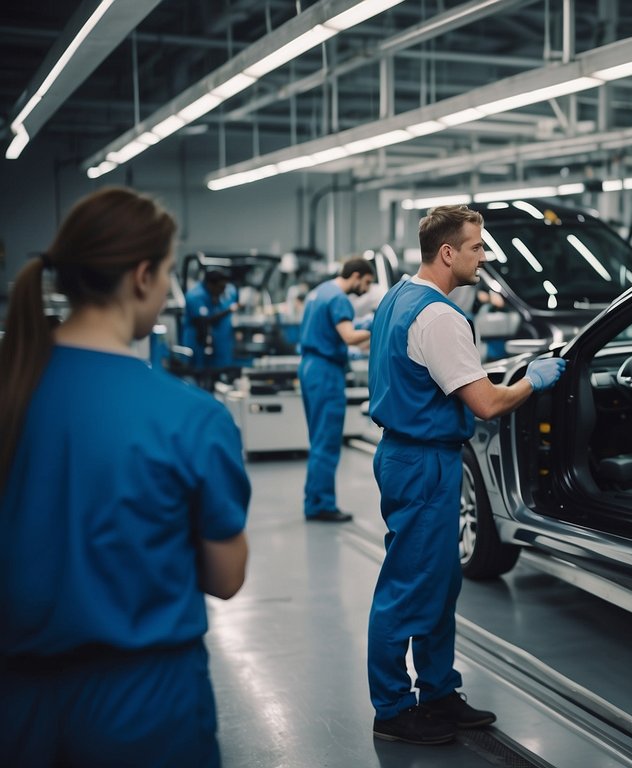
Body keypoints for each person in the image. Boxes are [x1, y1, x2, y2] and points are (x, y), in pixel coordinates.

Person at [0, 187, 250, 766]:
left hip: (16, 703)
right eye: (166, 273)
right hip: (146, 707)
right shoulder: (191, 418)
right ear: (142, 277)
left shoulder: (13, 396)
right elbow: (225, 576)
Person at [366, 204, 565, 745]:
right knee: (407, 586)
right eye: (477, 247)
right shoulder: (440, 317)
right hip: (423, 461)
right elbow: (487, 404)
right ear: (448, 252)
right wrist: (533, 379)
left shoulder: (398, 299)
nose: (485, 255)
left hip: (411, 454)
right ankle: (392, 708)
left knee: (439, 580)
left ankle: (437, 692)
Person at [298, 258, 374, 523]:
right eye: (366, 283)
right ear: (355, 276)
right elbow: (349, 337)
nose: (366, 289)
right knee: (327, 441)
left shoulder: (318, 292)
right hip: (326, 373)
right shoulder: (339, 299)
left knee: (318, 438)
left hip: (309, 367)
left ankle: (313, 500)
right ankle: (321, 505)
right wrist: (376, 324)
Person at [182, 269, 239, 375]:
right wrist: (229, 310)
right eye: (221, 288)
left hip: (209, 342)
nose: (223, 291)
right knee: (196, 373)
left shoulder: (212, 294)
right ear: (210, 285)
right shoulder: (195, 296)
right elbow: (204, 321)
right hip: (195, 341)